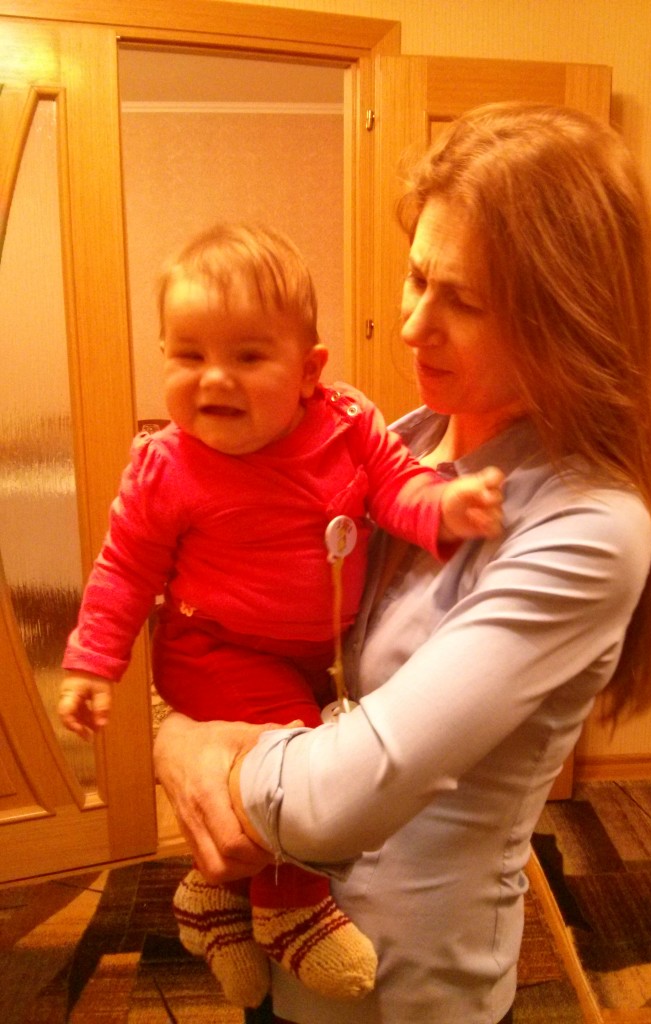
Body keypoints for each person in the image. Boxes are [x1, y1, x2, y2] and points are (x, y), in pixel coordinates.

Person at [153, 102, 651, 1024]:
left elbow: (337, 799)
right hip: (283, 930)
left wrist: (186, 745)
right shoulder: (402, 440)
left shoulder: (588, 527)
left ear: (565, 320)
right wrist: (177, 714)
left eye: (461, 301)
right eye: (417, 276)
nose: (411, 326)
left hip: (406, 987)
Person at [57, 223, 505, 1008]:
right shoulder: (166, 466)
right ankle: (292, 910)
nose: (213, 378)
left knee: (283, 751)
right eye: (187, 355)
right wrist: (93, 663)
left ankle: (213, 899)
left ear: (309, 372)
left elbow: (396, 488)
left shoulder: (349, 424)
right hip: (215, 649)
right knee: (292, 751)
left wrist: (445, 507)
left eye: (247, 357)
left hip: (316, 649)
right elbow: (125, 568)